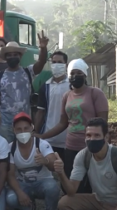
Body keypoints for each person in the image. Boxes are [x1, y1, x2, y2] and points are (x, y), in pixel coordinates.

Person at [36, 58, 109, 193]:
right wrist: (42, 136)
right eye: (72, 73)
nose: (75, 76)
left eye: (79, 73)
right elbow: (63, 123)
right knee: (70, 181)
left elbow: (103, 123)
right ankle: (71, 209)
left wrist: (103, 146)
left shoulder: (95, 93)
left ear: (85, 75)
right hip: (70, 146)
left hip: (90, 146)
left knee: (89, 183)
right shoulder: (67, 96)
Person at [5, 112, 59, 210]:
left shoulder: (42, 144)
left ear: (32, 128)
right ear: (14, 130)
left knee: (53, 188)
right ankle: (26, 208)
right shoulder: (11, 148)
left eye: (26, 128)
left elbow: (54, 165)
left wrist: (45, 161)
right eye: (19, 129)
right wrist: (20, 193)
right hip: (23, 184)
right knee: (11, 198)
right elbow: (10, 174)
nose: (22, 132)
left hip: (43, 183)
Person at [0, 31, 49, 143]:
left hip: (24, 123)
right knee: (5, 153)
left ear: (20, 56)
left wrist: (43, 48)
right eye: (9, 55)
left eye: (15, 55)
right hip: (4, 124)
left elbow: (41, 63)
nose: (12, 57)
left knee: (24, 152)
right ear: (6, 57)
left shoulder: (28, 71)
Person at [34, 51, 70, 161]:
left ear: (66, 65)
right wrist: (35, 132)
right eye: (54, 62)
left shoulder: (72, 85)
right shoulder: (45, 86)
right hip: (48, 139)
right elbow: (40, 112)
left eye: (60, 62)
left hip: (68, 139)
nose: (56, 65)